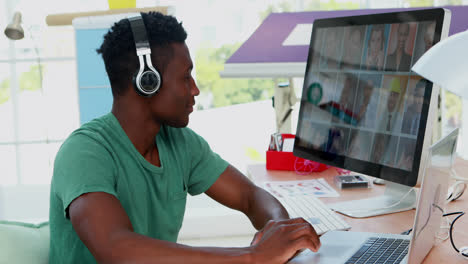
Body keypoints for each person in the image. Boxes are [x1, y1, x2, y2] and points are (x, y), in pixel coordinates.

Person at [49, 12, 320, 264]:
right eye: (186, 76)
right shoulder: (85, 152)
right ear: (147, 81)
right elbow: (114, 247)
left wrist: (279, 230)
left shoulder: (180, 143)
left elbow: (250, 196)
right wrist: (253, 256)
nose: (195, 89)